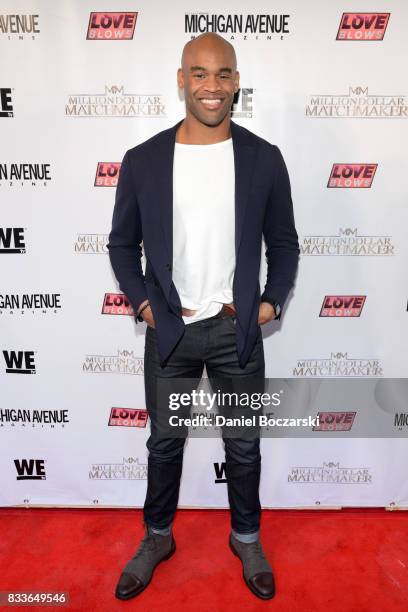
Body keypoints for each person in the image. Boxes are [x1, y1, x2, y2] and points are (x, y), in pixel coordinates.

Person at [107, 32, 299, 601]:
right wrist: (145, 304)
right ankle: (158, 536)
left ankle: (246, 537)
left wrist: (270, 301)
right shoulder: (143, 160)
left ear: (236, 82)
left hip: (236, 332)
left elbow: (284, 243)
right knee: (164, 443)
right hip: (171, 331)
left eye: (221, 75)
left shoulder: (264, 159)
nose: (210, 87)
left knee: (243, 445)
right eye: (199, 74)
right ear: (181, 79)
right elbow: (122, 246)